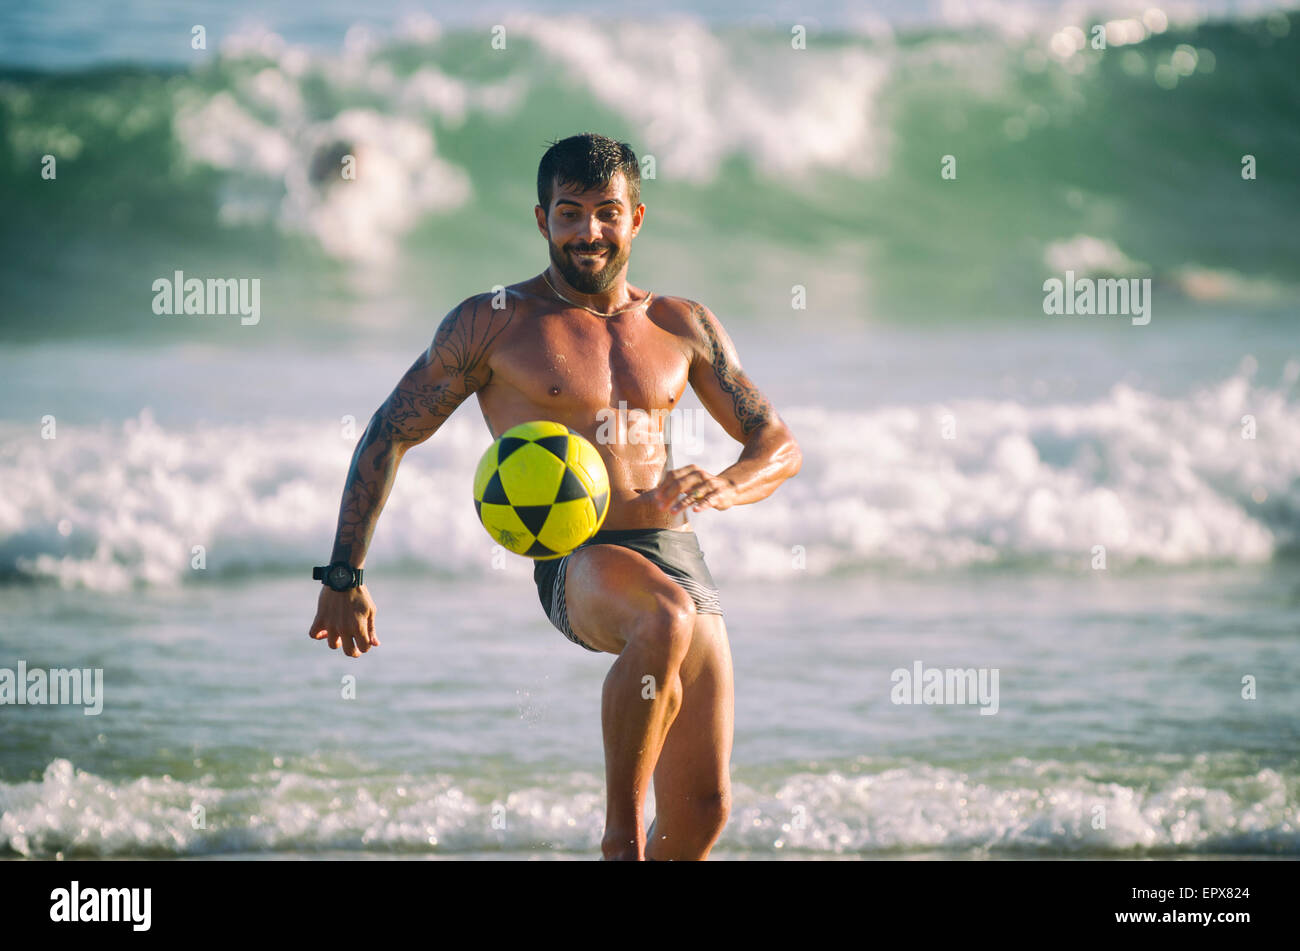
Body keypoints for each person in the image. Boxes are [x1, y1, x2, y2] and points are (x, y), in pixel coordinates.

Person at [307, 132, 802, 860]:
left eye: (606, 212)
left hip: (675, 548)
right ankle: (618, 837)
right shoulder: (493, 322)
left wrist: (727, 483)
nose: (588, 232)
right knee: (662, 618)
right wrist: (344, 575)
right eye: (569, 213)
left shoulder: (680, 323)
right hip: (578, 553)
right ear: (542, 220)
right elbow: (388, 434)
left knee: (703, 811)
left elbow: (778, 444)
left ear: (637, 217)